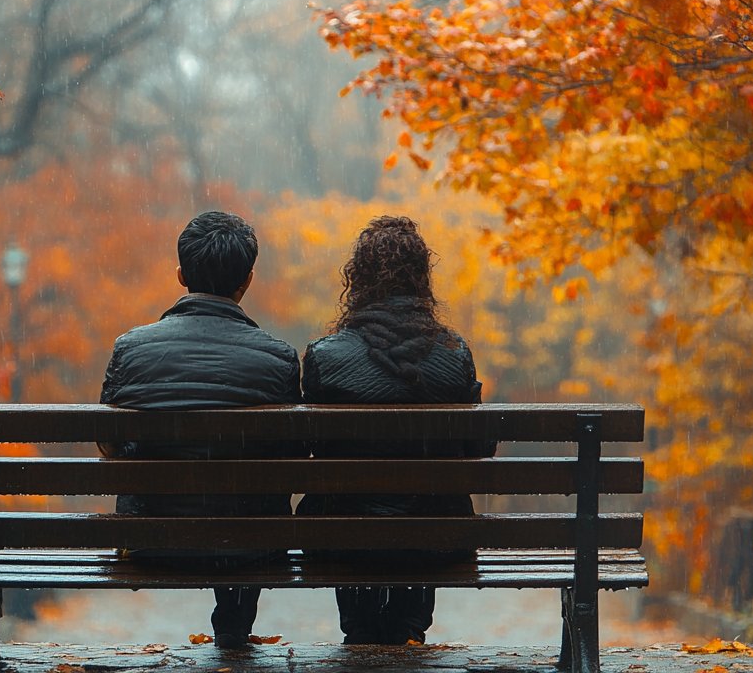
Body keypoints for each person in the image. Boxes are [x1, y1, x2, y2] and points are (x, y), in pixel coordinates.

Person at [98, 210, 301, 650]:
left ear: (180, 274)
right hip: (251, 548)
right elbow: (290, 457)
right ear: (247, 280)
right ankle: (234, 624)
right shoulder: (279, 358)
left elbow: (110, 443)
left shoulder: (130, 349)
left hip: (151, 541)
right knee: (250, 508)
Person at [297, 215, 494, 645]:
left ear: (358, 281)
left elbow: (308, 451)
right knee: (428, 513)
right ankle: (408, 629)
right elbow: (479, 448)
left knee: (341, 507)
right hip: (436, 541)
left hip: (342, 541)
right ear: (421, 280)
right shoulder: (454, 353)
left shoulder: (325, 357)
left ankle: (362, 631)